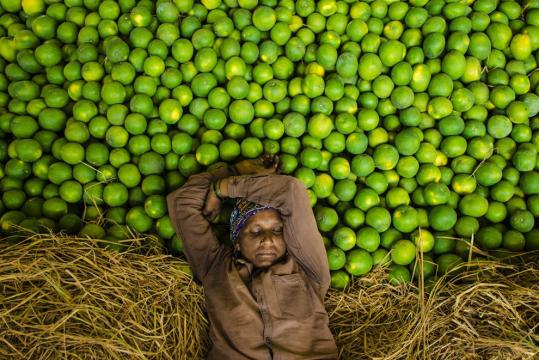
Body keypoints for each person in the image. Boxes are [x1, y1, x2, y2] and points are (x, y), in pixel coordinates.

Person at [166, 155, 338, 359]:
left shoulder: (308, 269)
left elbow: (291, 191)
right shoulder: (215, 267)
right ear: (236, 241)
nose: (267, 240)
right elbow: (181, 201)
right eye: (255, 232)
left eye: (276, 230)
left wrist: (222, 188)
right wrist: (235, 170)